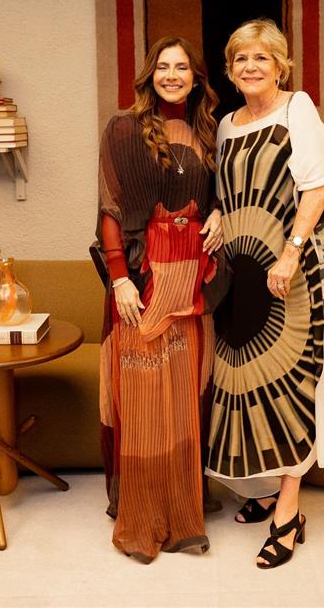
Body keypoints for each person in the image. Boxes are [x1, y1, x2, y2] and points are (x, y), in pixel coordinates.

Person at [206, 19, 324, 569]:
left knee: (293, 380)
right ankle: (265, 489)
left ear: (281, 66)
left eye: (261, 57)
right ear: (229, 70)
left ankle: (288, 511)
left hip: (291, 266)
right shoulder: (226, 125)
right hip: (241, 270)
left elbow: (320, 183)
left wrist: (291, 253)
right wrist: (217, 213)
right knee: (248, 379)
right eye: (241, 58)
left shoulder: (297, 109)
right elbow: (230, 191)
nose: (251, 67)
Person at [95, 36, 226, 564]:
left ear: (196, 78)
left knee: (184, 393)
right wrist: (119, 278)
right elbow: (110, 207)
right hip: (141, 279)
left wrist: (220, 213)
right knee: (143, 395)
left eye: (182, 67)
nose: (172, 75)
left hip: (192, 280)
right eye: (163, 67)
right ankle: (145, 507)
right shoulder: (123, 129)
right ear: (149, 74)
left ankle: (182, 499)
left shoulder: (208, 131)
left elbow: (220, 196)